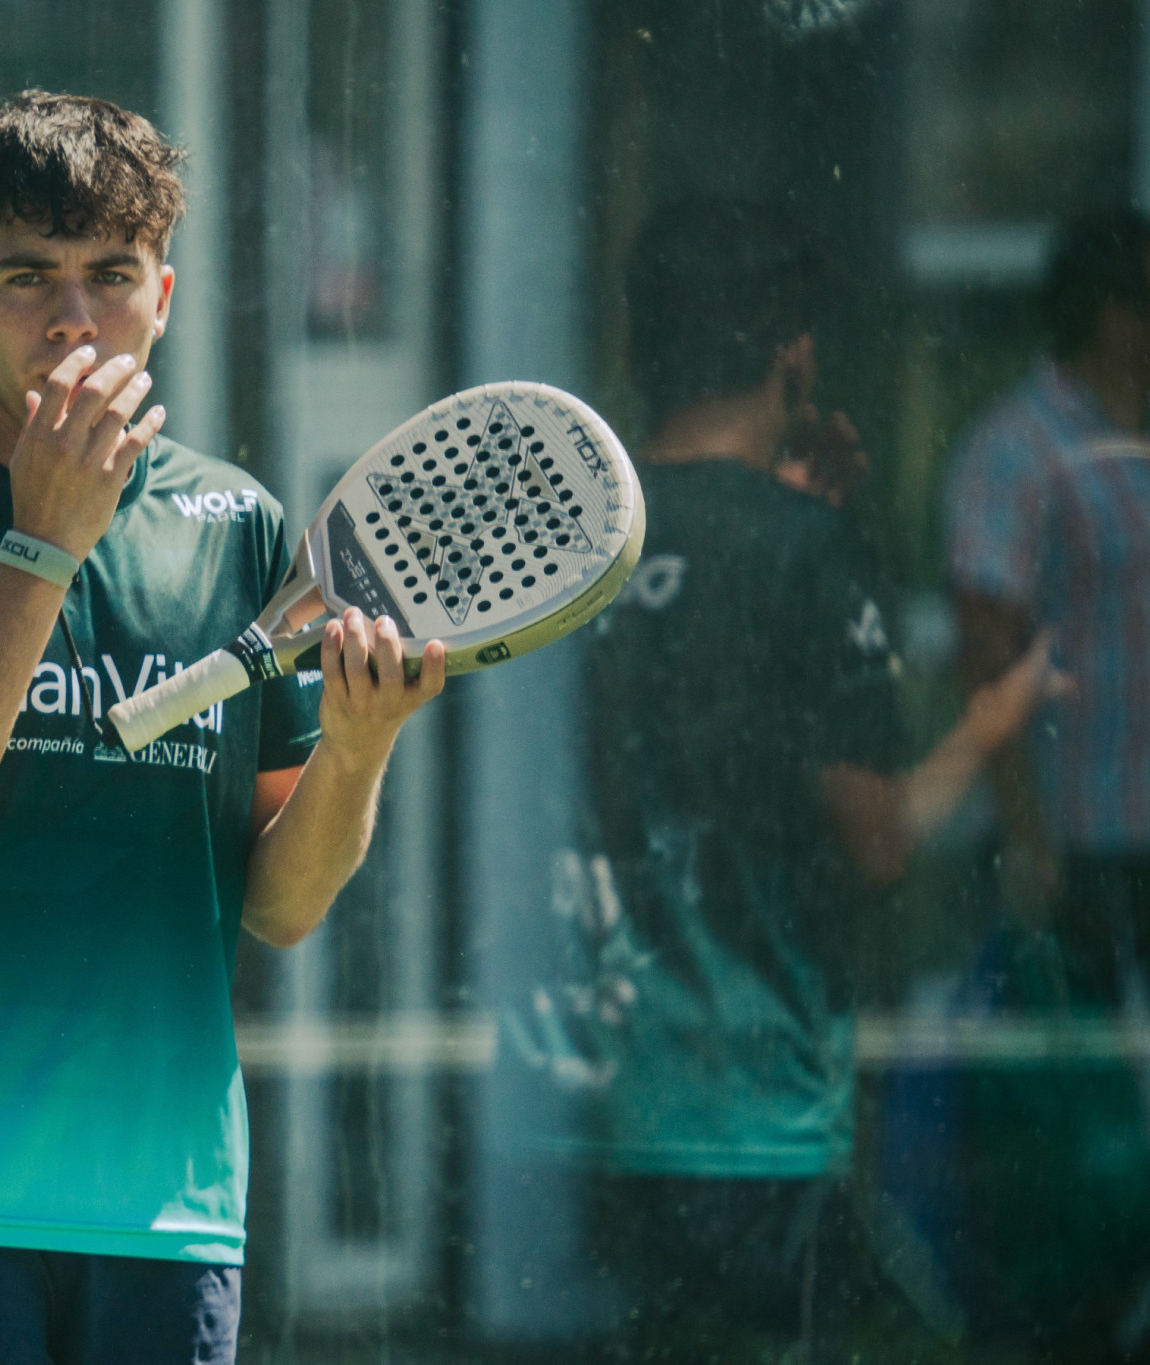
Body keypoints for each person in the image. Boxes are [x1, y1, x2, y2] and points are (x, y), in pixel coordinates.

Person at [0, 91, 443, 1364]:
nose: (74, 318)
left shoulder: (240, 529)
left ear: (164, 297)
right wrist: (41, 546)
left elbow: (278, 906)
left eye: (112, 276)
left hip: (164, 1214)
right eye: (27, 277)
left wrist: (359, 749)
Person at [497, 199, 1061, 1360]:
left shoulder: (557, 543)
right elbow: (878, 841)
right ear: (791, 357)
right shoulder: (803, 551)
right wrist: (988, 724)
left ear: (639, 341)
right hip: (745, 1116)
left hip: (572, 1102)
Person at [944, 206, 1150, 1003]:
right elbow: (984, 643)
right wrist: (1028, 838)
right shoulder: (1018, 449)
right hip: (1075, 847)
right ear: (1114, 317)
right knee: (1074, 1065)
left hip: (1138, 834)